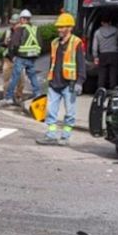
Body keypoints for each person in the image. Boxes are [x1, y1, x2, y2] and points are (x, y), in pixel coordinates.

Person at [37, 12, 85, 145]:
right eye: (58, 27)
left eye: (62, 27)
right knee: (51, 112)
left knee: (70, 113)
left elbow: (81, 64)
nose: (59, 29)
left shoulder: (77, 43)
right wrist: (49, 79)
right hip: (54, 83)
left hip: (70, 84)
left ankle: (65, 137)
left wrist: (80, 82)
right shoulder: (54, 43)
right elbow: (52, 62)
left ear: (69, 28)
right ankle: (51, 135)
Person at [1, 8, 41, 106]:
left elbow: (13, 44)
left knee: (14, 77)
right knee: (33, 77)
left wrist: (13, 55)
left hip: (20, 57)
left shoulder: (20, 29)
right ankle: (37, 94)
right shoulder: (35, 29)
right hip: (31, 57)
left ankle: (8, 97)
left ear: (22, 19)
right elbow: (40, 43)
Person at [92, 17, 118, 90]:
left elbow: (94, 46)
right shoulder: (116, 30)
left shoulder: (97, 32)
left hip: (103, 55)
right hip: (114, 54)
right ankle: (113, 89)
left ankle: (100, 89)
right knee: (113, 73)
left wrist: (95, 56)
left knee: (102, 73)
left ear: (101, 23)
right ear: (110, 22)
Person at [0, 13, 25, 103]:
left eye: (16, 24)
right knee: (6, 78)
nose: (14, 26)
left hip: (19, 59)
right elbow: (1, 43)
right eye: (12, 24)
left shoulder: (23, 33)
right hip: (8, 59)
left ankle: (19, 96)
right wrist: (5, 43)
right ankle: (6, 96)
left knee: (20, 80)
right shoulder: (8, 32)